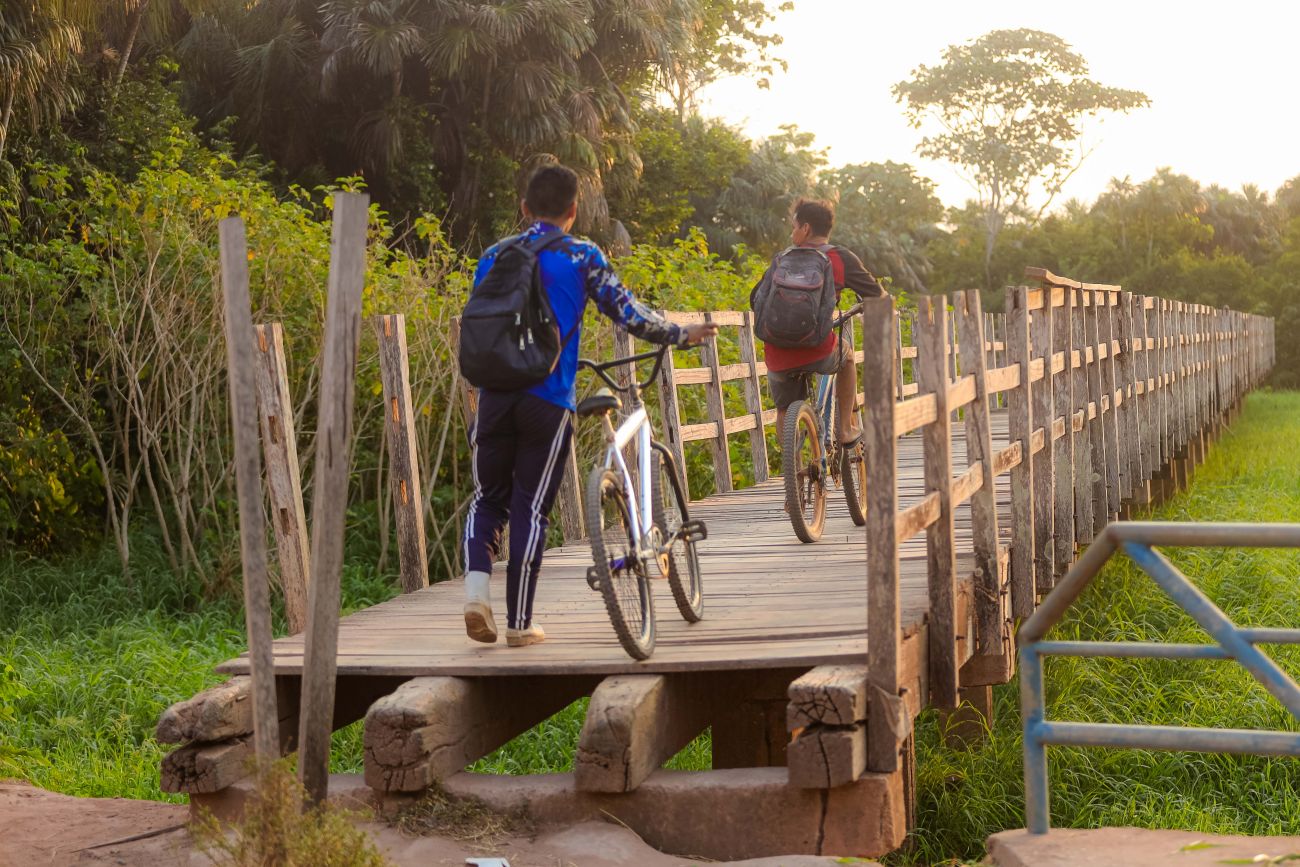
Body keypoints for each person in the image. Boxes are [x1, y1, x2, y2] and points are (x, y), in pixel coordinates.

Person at [461, 164, 717, 648]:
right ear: (574, 211)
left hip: (492, 396)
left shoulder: (493, 256)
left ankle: (476, 594)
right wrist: (680, 334)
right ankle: (519, 623)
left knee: (487, 499)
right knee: (530, 506)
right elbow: (628, 312)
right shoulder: (580, 255)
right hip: (547, 398)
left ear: (524, 208)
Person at [763, 198, 887, 442]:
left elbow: (756, 299)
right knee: (847, 357)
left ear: (805, 228)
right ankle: (845, 430)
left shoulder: (781, 259)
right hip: (818, 349)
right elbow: (878, 296)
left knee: (784, 410)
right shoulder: (840, 258)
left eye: (793, 227)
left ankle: (792, 462)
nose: (791, 233)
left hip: (777, 354)